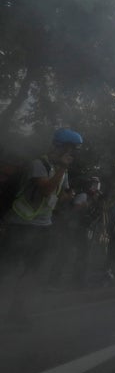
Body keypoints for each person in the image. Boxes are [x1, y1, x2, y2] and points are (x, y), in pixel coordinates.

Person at [0, 128, 82, 323]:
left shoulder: (63, 170)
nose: (72, 153)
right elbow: (45, 189)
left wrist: (67, 197)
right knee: (8, 268)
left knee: (32, 271)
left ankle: (16, 311)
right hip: (21, 223)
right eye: (70, 149)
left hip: (43, 226)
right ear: (59, 146)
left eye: (74, 150)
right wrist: (62, 168)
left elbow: (57, 196)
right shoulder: (39, 164)